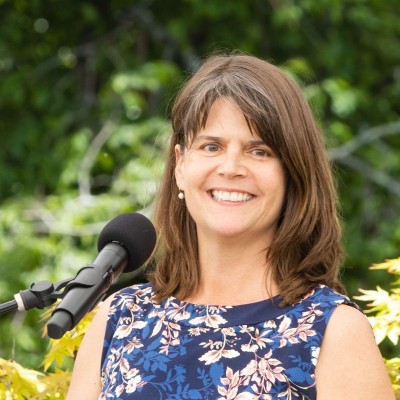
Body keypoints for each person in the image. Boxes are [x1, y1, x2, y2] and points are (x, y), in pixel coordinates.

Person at [66, 53, 394, 399]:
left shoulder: (335, 331)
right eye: (211, 146)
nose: (231, 167)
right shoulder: (119, 319)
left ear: (293, 174)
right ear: (180, 166)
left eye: (259, 151)